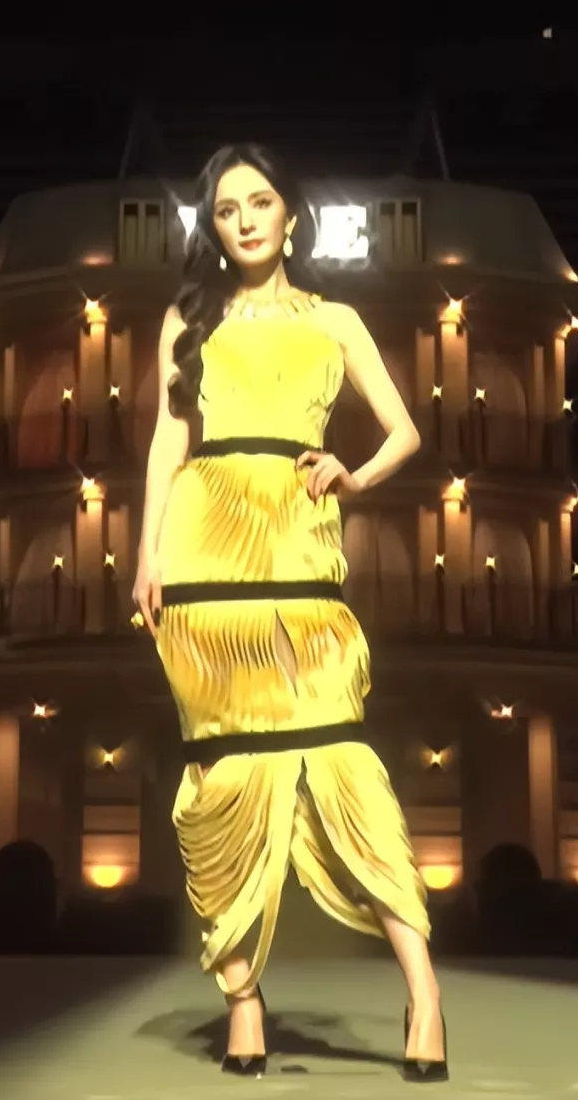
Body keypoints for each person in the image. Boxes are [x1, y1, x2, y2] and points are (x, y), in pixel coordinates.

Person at [131, 143, 447, 1083]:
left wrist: (354, 473)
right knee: (220, 769)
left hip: (301, 545)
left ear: (291, 214)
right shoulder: (189, 318)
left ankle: (425, 991)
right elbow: (167, 443)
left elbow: (405, 429)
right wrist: (147, 553)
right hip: (203, 553)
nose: (245, 221)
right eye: (227, 209)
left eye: (260, 202)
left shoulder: (335, 319)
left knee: (342, 753)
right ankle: (243, 1000)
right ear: (214, 227)